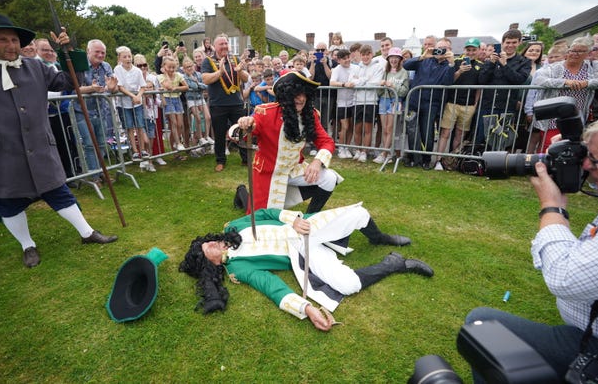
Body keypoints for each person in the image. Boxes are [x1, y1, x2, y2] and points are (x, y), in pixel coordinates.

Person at [0, 12, 118, 268]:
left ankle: (87, 233)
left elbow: (70, 81)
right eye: (3, 40)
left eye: (14, 40)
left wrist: (68, 50)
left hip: (38, 145)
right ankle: (28, 245)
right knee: (8, 200)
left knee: (58, 190)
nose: (12, 45)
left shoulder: (34, 66)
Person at [465, 116, 598, 382]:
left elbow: (564, 277)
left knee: (481, 325)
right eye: (586, 156)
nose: (587, 165)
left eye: (596, 160)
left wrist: (552, 208)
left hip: (597, 346)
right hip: (590, 329)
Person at [179, 203, 432, 331]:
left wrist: (294, 219)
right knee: (349, 284)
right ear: (210, 264)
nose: (212, 243)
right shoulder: (237, 268)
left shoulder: (232, 225)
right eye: (208, 249)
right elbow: (271, 286)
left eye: (207, 241)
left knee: (359, 214)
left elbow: (267, 213)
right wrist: (306, 309)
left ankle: (378, 237)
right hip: (302, 252)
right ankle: (394, 263)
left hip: (304, 227)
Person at [236, 71, 343, 214]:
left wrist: (317, 162)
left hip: (294, 170)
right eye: (296, 94)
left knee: (329, 178)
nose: (301, 99)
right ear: (286, 96)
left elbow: (327, 142)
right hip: (270, 173)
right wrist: (246, 124)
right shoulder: (265, 112)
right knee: (261, 217)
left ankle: (309, 217)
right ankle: (241, 192)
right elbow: (247, 131)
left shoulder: (310, 115)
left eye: (304, 94)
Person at [531, 36, 598, 152]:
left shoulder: (593, 67)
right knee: (549, 147)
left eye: (580, 51)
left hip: (577, 115)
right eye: (572, 50)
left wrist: (588, 83)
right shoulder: (555, 67)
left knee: (570, 148)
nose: (575, 54)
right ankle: (542, 169)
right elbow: (540, 79)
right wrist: (564, 82)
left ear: (587, 53)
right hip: (553, 116)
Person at [403, 37, 456, 169]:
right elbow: (406, 65)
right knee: (412, 130)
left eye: (444, 49)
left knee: (428, 132)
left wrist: (451, 64)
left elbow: (448, 82)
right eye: (439, 48)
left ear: (449, 50)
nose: (441, 51)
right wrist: (421, 57)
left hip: (432, 103)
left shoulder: (448, 65)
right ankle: (413, 157)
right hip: (415, 100)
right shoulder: (425, 59)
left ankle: (427, 159)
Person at [474, 29, 531, 150]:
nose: (510, 45)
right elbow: (482, 80)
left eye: (514, 42)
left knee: (502, 139)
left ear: (519, 43)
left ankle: (497, 166)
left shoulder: (524, 62)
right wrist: (491, 63)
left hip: (507, 107)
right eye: (508, 42)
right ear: (502, 43)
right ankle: (478, 165)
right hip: (488, 105)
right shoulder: (491, 60)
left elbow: (519, 79)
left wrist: (505, 65)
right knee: (482, 137)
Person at [201, 34, 249, 172]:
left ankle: (246, 159)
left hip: (236, 103)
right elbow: (205, 79)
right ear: (215, 47)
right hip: (218, 104)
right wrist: (220, 72)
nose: (224, 46)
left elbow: (245, 79)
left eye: (225, 44)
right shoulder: (208, 61)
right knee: (220, 134)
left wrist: (240, 71)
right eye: (221, 44)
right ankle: (220, 160)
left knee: (242, 132)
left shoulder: (235, 59)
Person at [433, 38, 483, 170]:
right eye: (468, 50)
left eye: (473, 50)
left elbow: (479, 87)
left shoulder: (480, 65)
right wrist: (460, 71)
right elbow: (449, 81)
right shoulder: (456, 62)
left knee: (460, 135)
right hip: (452, 103)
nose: (470, 52)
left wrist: (475, 104)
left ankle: (452, 161)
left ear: (478, 51)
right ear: (464, 50)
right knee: (445, 132)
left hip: (469, 105)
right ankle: (438, 160)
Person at [77, 38, 119, 186]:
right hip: (82, 111)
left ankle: (102, 173)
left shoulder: (106, 66)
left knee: (101, 143)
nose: (101, 55)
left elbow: (112, 87)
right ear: (88, 51)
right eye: (97, 52)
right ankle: (95, 176)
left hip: (101, 111)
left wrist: (113, 87)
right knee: (89, 144)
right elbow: (73, 88)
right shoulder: (80, 65)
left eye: (103, 52)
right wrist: (91, 89)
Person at [36, 37, 79, 180]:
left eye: (51, 50)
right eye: (44, 50)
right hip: (42, 116)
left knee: (65, 144)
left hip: (61, 113)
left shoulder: (57, 66)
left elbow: (70, 83)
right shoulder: (34, 66)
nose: (49, 53)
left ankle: (68, 174)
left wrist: (69, 51)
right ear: (37, 50)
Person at [113, 46, 149, 163]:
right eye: (125, 57)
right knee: (129, 127)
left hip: (137, 103)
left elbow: (143, 86)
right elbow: (120, 86)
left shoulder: (137, 71)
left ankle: (142, 150)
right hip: (123, 104)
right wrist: (133, 96)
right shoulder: (118, 69)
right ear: (120, 58)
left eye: (129, 56)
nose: (128, 59)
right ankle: (134, 151)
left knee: (140, 126)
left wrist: (138, 96)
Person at [374, 47, 410, 164]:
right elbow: (379, 90)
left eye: (396, 58)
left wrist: (393, 86)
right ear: (388, 59)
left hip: (396, 101)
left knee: (390, 128)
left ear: (400, 59)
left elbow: (405, 91)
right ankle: (388, 152)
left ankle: (384, 153)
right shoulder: (385, 72)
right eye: (391, 58)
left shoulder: (404, 72)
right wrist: (381, 85)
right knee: (384, 129)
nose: (393, 60)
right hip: (383, 100)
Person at [351, 44, 385, 163]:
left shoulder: (378, 67)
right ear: (360, 55)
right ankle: (358, 150)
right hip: (357, 101)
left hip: (371, 102)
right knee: (357, 128)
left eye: (367, 54)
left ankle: (365, 152)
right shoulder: (356, 67)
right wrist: (365, 80)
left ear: (372, 54)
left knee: (368, 128)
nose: (365, 57)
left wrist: (361, 81)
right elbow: (352, 82)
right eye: (363, 55)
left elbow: (375, 84)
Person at [329, 49, 359, 159]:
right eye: (344, 59)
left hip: (354, 100)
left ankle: (346, 147)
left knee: (351, 126)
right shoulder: (337, 69)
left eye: (348, 58)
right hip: (342, 102)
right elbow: (332, 82)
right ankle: (341, 148)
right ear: (339, 60)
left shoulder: (356, 68)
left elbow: (360, 79)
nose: (347, 60)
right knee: (345, 126)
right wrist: (344, 84)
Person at [157, 55, 188, 153]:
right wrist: (166, 74)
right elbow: (169, 86)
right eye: (169, 67)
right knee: (173, 123)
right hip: (168, 99)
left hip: (177, 99)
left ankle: (176, 141)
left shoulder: (178, 75)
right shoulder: (161, 76)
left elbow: (186, 87)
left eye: (173, 67)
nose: (171, 69)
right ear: (164, 67)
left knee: (180, 124)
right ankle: (178, 143)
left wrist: (177, 88)